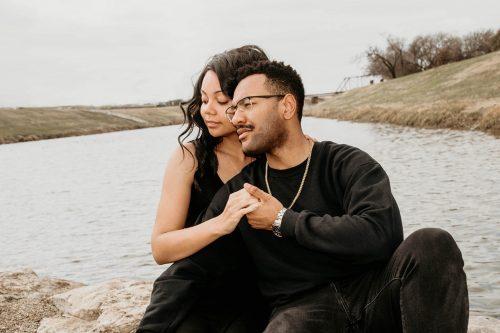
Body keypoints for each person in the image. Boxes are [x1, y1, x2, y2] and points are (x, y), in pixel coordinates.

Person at [140, 59, 470, 332]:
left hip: (373, 295)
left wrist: (283, 220)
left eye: (247, 105)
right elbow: (187, 272)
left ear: (287, 105)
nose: (236, 117)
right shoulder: (240, 191)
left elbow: (382, 233)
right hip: (302, 312)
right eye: (234, 108)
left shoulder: (347, 163)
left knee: (433, 243)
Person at [136, 45, 271, 333]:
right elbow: (161, 248)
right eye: (204, 99)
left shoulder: (276, 157)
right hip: (191, 296)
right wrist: (221, 223)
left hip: (256, 299)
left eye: (221, 101)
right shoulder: (190, 157)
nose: (208, 110)